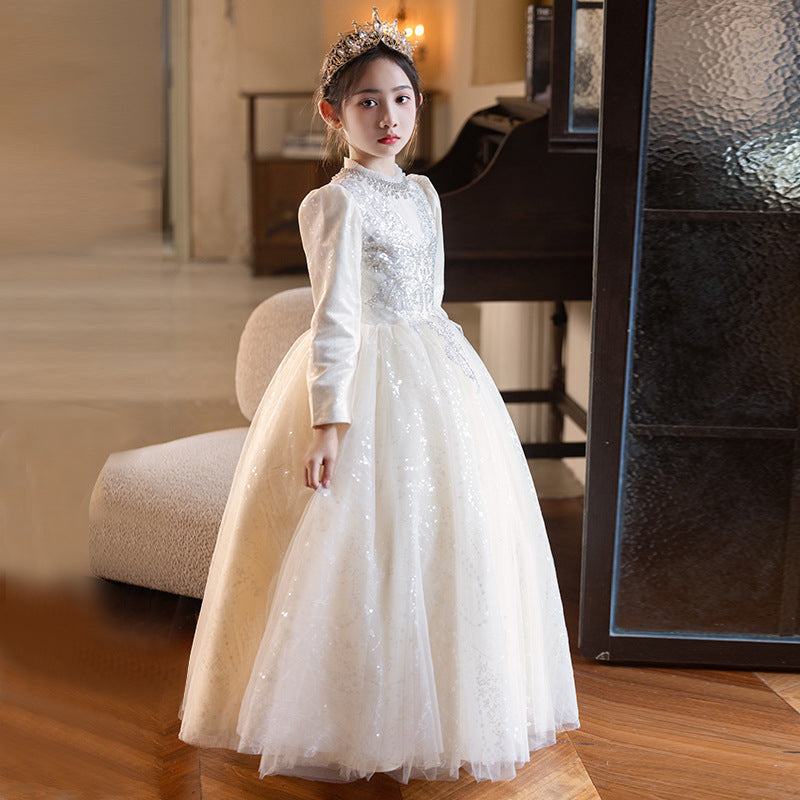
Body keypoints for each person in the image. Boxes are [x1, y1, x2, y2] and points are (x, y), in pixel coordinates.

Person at [179, 8, 579, 784]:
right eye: (367, 102)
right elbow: (335, 317)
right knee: (360, 547)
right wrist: (329, 423)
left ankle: (447, 703)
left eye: (401, 98)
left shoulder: (425, 194)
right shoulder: (336, 203)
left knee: (445, 532)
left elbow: (428, 294)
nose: (387, 116)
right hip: (363, 377)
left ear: (419, 107)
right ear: (333, 114)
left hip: (438, 373)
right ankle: (354, 713)